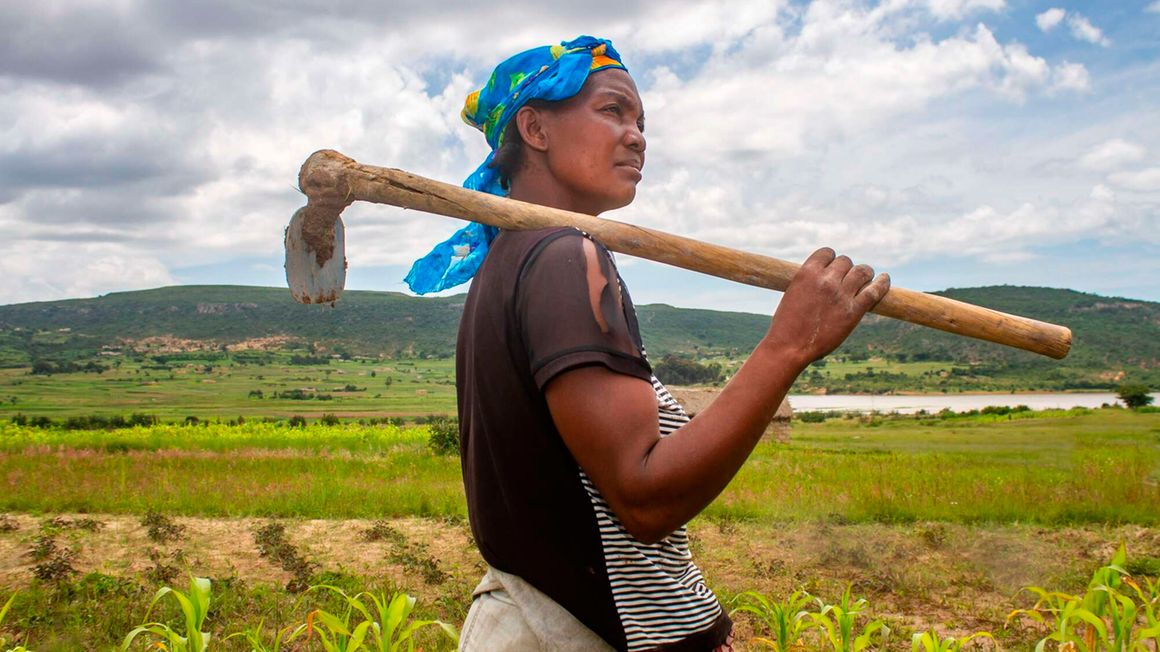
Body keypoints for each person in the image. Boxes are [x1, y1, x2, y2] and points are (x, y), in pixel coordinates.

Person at [405, 36, 889, 652]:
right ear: (535, 128)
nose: (636, 136)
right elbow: (643, 496)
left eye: (641, 122)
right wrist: (787, 346)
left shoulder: (511, 260)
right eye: (612, 111)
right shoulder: (562, 257)